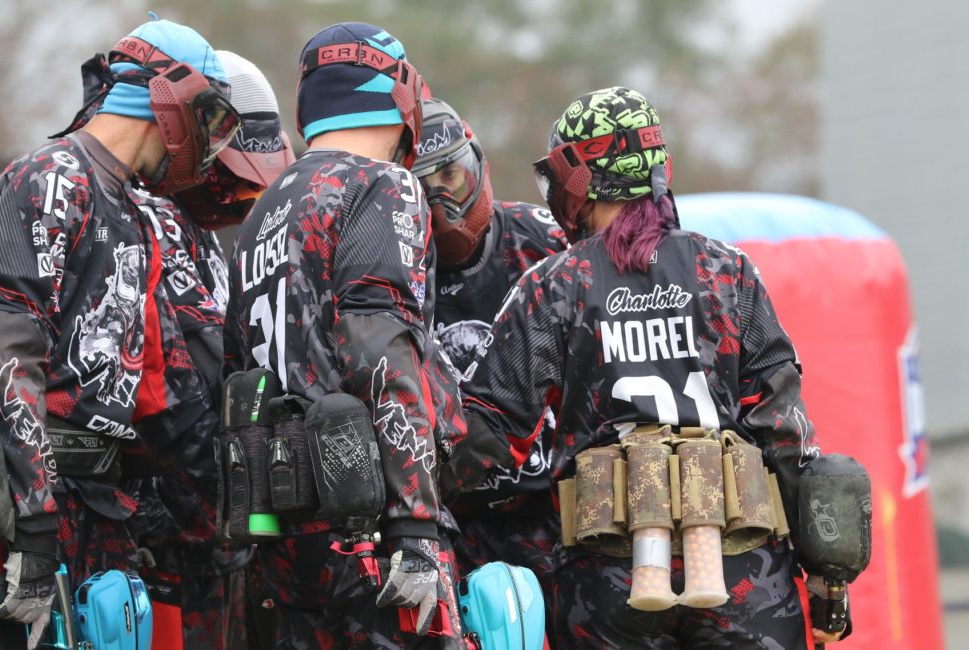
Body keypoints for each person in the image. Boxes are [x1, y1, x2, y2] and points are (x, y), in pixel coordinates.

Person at [445, 87, 843, 648]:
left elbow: (487, 433)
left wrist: (403, 484)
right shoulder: (726, 271)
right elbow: (787, 434)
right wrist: (827, 579)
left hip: (610, 580)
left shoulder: (555, 285)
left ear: (578, 178)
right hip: (745, 576)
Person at [0, 17, 239, 649]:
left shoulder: (135, 211)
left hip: (100, 510)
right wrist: (34, 527)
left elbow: (160, 390)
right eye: (208, 116)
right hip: (24, 515)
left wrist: (235, 509)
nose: (208, 143)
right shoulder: (50, 180)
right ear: (170, 101)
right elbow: (1, 356)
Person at [222, 22, 464, 649]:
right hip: (370, 526)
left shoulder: (264, 209)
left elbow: (236, 367)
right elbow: (379, 348)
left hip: (282, 527)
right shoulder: (382, 184)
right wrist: (417, 523)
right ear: (401, 94)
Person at [122, 49, 297, 650]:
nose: (246, 198)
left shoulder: (190, 231)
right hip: (160, 547)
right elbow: (191, 392)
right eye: (239, 179)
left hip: (200, 537)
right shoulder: (149, 218)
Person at [411, 97, 567, 634]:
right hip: (450, 520)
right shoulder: (389, 264)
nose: (440, 201)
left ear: (479, 164)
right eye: (421, 187)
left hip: (553, 509)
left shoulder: (546, 242)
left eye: (450, 176)